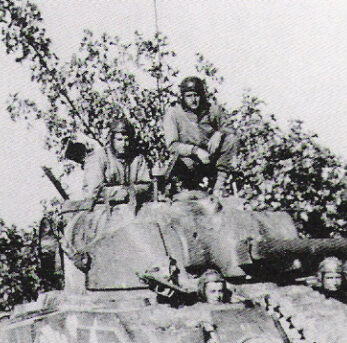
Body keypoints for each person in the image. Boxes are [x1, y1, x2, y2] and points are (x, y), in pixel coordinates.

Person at [63, 117, 151, 273]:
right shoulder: (98, 158)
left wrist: (132, 191)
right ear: (111, 139)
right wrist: (120, 192)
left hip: (133, 207)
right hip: (103, 210)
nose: (124, 144)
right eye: (119, 139)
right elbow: (93, 192)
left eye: (127, 139)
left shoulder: (137, 159)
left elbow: (146, 184)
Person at [163, 76, 238, 197]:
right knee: (183, 181)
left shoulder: (211, 109)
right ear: (182, 96)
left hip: (209, 156)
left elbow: (230, 128)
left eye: (197, 95)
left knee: (231, 140)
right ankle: (184, 190)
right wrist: (195, 150)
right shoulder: (173, 113)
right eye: (189, 96)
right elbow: (172, 145)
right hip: (188, 159)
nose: (194, 100)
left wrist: (219, 133)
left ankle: (218, 187)